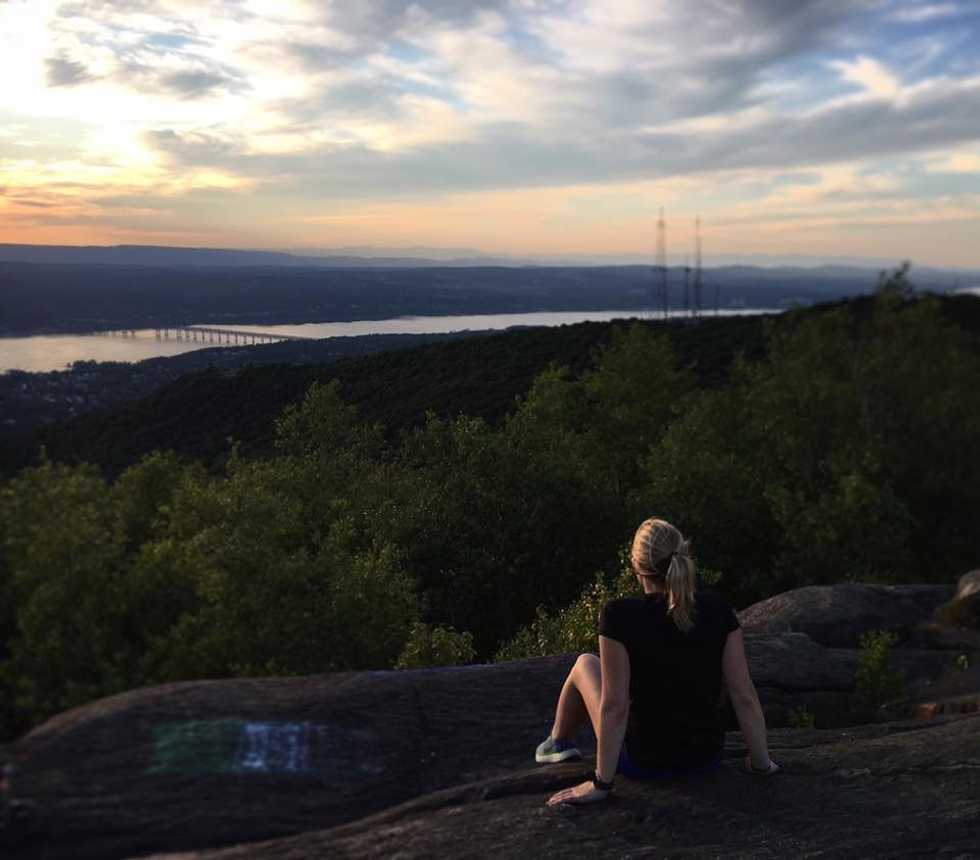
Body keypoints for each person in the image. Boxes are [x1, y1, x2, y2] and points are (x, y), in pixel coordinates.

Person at [537, 517, 778, 806]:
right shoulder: (718, 609)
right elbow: (744, 695)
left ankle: (558, 742)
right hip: (705, 757)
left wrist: (601, 784)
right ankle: (558, 742)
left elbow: (615, 707)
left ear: (636, 566)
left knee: (585, 664)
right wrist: (761, 764)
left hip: (643, 762)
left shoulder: (619, 616)